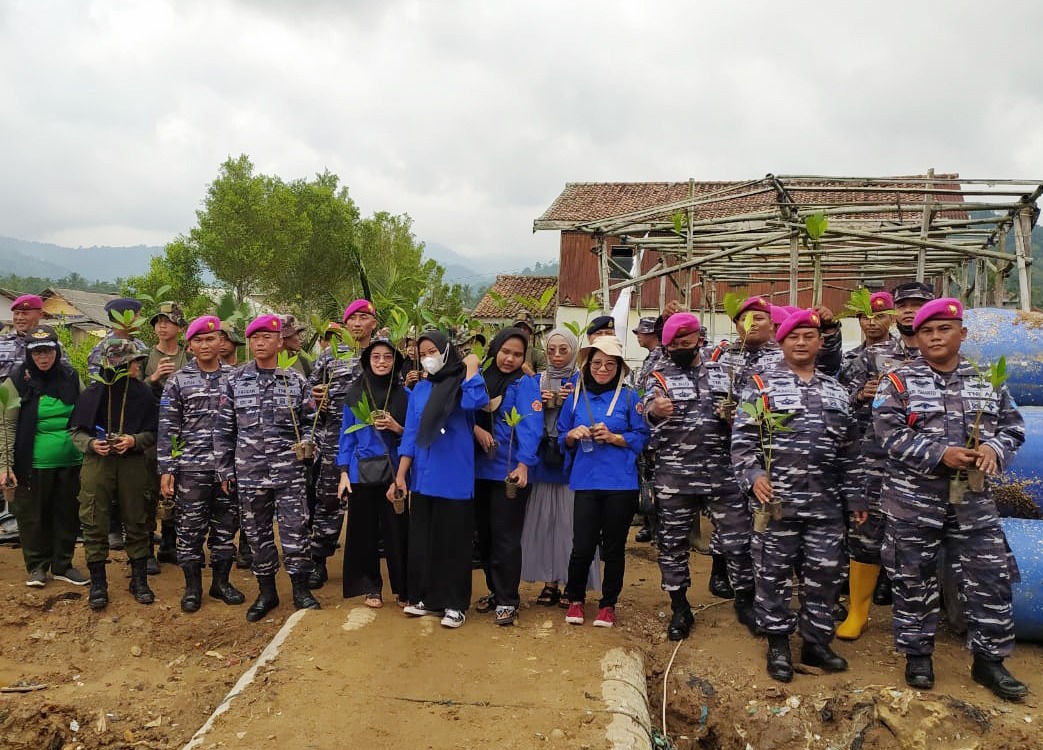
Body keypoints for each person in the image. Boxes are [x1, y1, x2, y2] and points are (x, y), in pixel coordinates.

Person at [873, 298, 1027, 701]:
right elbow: (888, 434)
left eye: (944, 329)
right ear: (917, 337)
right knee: (912, 580)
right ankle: (917, 655)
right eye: (927, 331)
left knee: (990, 580)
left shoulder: (987, 379)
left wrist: (994, 448)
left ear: (962, 333)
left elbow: (1013, 428)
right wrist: (940, 453)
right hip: (913, 504)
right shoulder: (899, 381)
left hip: (974, 504)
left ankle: (990, 661)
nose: (936, 337)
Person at [731, 309, 860, 683]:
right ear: (781, 342)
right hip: (776, 503)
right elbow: (741, 443)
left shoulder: (837, 391)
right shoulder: (760, 386)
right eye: (793, 337)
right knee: (772, 576)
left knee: (824, 576)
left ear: (820, 342)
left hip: (826, 504)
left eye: (808, 336)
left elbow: (850, 452)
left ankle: (816, 643)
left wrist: (856, 500)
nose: (801, 343)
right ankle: (778, 645)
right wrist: (754, 476)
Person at [644, 313, 756, 640]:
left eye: (685, 342)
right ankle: (680, 607)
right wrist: (655, 411)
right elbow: (647, 408)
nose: (680, 347)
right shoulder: (658, 376)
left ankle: (745, 601)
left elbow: (750, 415)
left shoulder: (726, 373)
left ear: (698, 339)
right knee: (673, 543)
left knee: (738, 539)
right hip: (675, 476)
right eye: (673, 344)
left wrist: (736, 417)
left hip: (723, 474)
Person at [214, 314, 320, 621]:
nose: (260, 343)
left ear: (278, 342)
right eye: (255, 338)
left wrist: (309, 445)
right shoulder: (234, 381)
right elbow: (223, 429)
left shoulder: (295, 380)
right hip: (250, 471)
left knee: (296, 530)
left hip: (289, 470)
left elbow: (310, 423)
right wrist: (224, 470)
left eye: (266, 338)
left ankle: (301, 590)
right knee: (256, 532)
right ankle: (267, 592)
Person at [390, 331, 487, 629]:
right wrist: (401, 475)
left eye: (433, 351)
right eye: (423, 353)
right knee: (426, 541)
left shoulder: (461, 383)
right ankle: (430, 599)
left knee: (454, 543)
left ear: (446, 352)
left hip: (455, 477)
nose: (428, 357)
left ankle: (456, 604)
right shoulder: (420, 389)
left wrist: (471, 367)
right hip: (424, 477)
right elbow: (410, 435)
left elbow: (476, 401)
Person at [558, 336, 649, 628]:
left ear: (620, 367)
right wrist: (572, 435)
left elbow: (643, 436)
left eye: (610, 364)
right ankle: (575, 599)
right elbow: (561, 434)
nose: (603, 368)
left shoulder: (629, 396)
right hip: (585, 481)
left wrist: (614, 437)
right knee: (582, 546)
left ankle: (608, 604)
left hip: (620, 483)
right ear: (587, 364)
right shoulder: (575, 395)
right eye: (597, 363)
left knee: (613, 548)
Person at [158, 316, 245, 613]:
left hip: (227, 469)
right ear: (190, 345)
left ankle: (221, 583)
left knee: (225, 529)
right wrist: (168, 469)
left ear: (221, 342)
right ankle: (192, 588)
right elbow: (169, 429)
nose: (206, 345)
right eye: (199, 340)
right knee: (190, 530)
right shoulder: (178, 381)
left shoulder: (236, 377)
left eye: (211, 339)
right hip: (191, 470)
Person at [69, 339, 158, 610]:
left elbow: (154, 433)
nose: (138, 366)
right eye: (133, 362)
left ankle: (139, 580)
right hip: (98, 464)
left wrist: (133, 440)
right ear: (117, 364)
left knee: (138, 518)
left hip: (133, 465)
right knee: (94, 518)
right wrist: (91, 444)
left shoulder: (143, 394)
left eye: (138, 361)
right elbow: (75, 431)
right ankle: (99, 583)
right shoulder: (93, 393)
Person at [835, 290, 901, 639]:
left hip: (904, 456)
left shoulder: (908, 353)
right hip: (866, 452)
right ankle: (858, 612)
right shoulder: (851, 358)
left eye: (878, 316)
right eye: (865, 317)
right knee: (864, 527)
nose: (872, 323)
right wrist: (860, 394)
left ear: (891, 318)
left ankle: (892, 589)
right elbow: (837, 398)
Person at [520, 328, 601, 606]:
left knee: (571, 523)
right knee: (544, 521)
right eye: (551, 349)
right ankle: (549, 581)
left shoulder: (582, 381)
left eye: (563, 350)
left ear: (573, 351)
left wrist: (572, 402)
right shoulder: (537, 380)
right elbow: (526, 417)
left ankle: (571, 582)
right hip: (545, 458)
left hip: (571, 458)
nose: (556, 355)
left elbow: (591, 415)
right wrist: (539, 405)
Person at [0, 326, 84, 587]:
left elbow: (85, 415)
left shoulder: (71, 377)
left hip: (71, 461)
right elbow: (7, 425)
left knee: (67, 514)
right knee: (33, 517)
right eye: (37, 353)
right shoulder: (17, 381)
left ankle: (63, 565)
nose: (43, 358)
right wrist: (5, 465)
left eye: (47, 351)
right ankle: (37, 566)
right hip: (33, 463)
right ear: (29, 354)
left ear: (56, 352)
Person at [306, 299, 378, 589]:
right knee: (328, 502)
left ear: (374, 322)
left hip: (373, 442)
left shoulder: (382, 354)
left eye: (364, 318)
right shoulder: (330, 356)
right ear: (345, 324)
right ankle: (319, 561)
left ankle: (366, 565)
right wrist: (315, 398)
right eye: (353, 319)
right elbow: (308, 394)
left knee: (371, 504)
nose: (357, 323)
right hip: (335, 438)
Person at [472, 328, 542, 626]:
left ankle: (508, 598)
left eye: (517, 354)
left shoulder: (524, 385)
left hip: (509, 473)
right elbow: (465, 413)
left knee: (506, 537)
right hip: (476, 471)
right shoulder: (480, 381)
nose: (510, 358)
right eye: (505, 351)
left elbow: (531, 426)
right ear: (495, 349)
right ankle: (494, 589)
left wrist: (524, 464)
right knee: (484, 537)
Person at [337, 339, 409, 607]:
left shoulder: (405, 395)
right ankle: (370, 587)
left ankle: (404, 589)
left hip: (393, 473)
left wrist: (395, 427)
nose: (381, 362)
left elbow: (411, 438)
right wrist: (343, 472)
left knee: (397, 531)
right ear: (367, 360)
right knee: (363, 532)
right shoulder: (355, 394)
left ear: (395, 362)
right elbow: (346, 436)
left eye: (387, 357)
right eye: (376, 357)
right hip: (359, 473)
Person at [145, 301, 190, 572]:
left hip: (182, 431)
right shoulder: (144, 355)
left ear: (181, 328)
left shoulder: (189, 356)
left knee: (178, 488)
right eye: (158, 321)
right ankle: (147, 548)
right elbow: (133, 393)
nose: (162, 325)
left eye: (168, 321)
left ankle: (170, 545)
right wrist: (154, 377)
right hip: (152, 431)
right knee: (149, 489)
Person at [86, 298, 150, 377]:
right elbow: (100, 385)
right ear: (124, 319)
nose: (140, 320)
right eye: (137, 315)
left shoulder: (139, 344)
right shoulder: (105, 348)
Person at [0, 294, 46, 380]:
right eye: (16, 313)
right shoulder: (2, 342)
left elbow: (65, 377)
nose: (19, 318)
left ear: (40, 315)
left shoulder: (51, 345)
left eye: (25, 314)